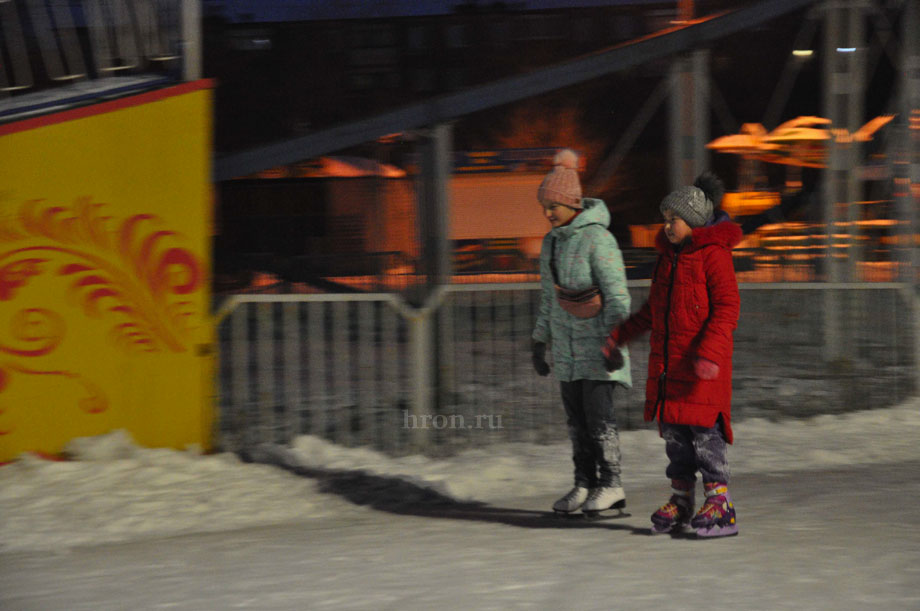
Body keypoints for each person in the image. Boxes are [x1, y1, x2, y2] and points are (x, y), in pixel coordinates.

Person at [603, 172, 742, 538]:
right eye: (665, 219)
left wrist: (710, 353)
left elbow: (727, 307)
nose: (666, 226)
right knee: (677, 441)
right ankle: (681, 501)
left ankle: (720, 504)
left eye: (673, 219)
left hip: (702, 370)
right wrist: (620, 335)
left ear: (693, 222)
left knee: (705, 438)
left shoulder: (714, 257)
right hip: (669, 369)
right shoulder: (667, 262)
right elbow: (654, 311)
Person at [531, 148, 632, 516]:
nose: (547, 212)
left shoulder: (598, 240)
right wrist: (540, 340)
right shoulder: (551, 243)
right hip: (567, 348)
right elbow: (548, 297)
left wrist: (615, 341)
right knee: (577, 421)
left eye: (552, 205)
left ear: (571, 202)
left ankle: (611, 484)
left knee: (598, 417)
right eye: (544, 205)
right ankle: (584, 483)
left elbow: (618, 296)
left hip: (599, 346)